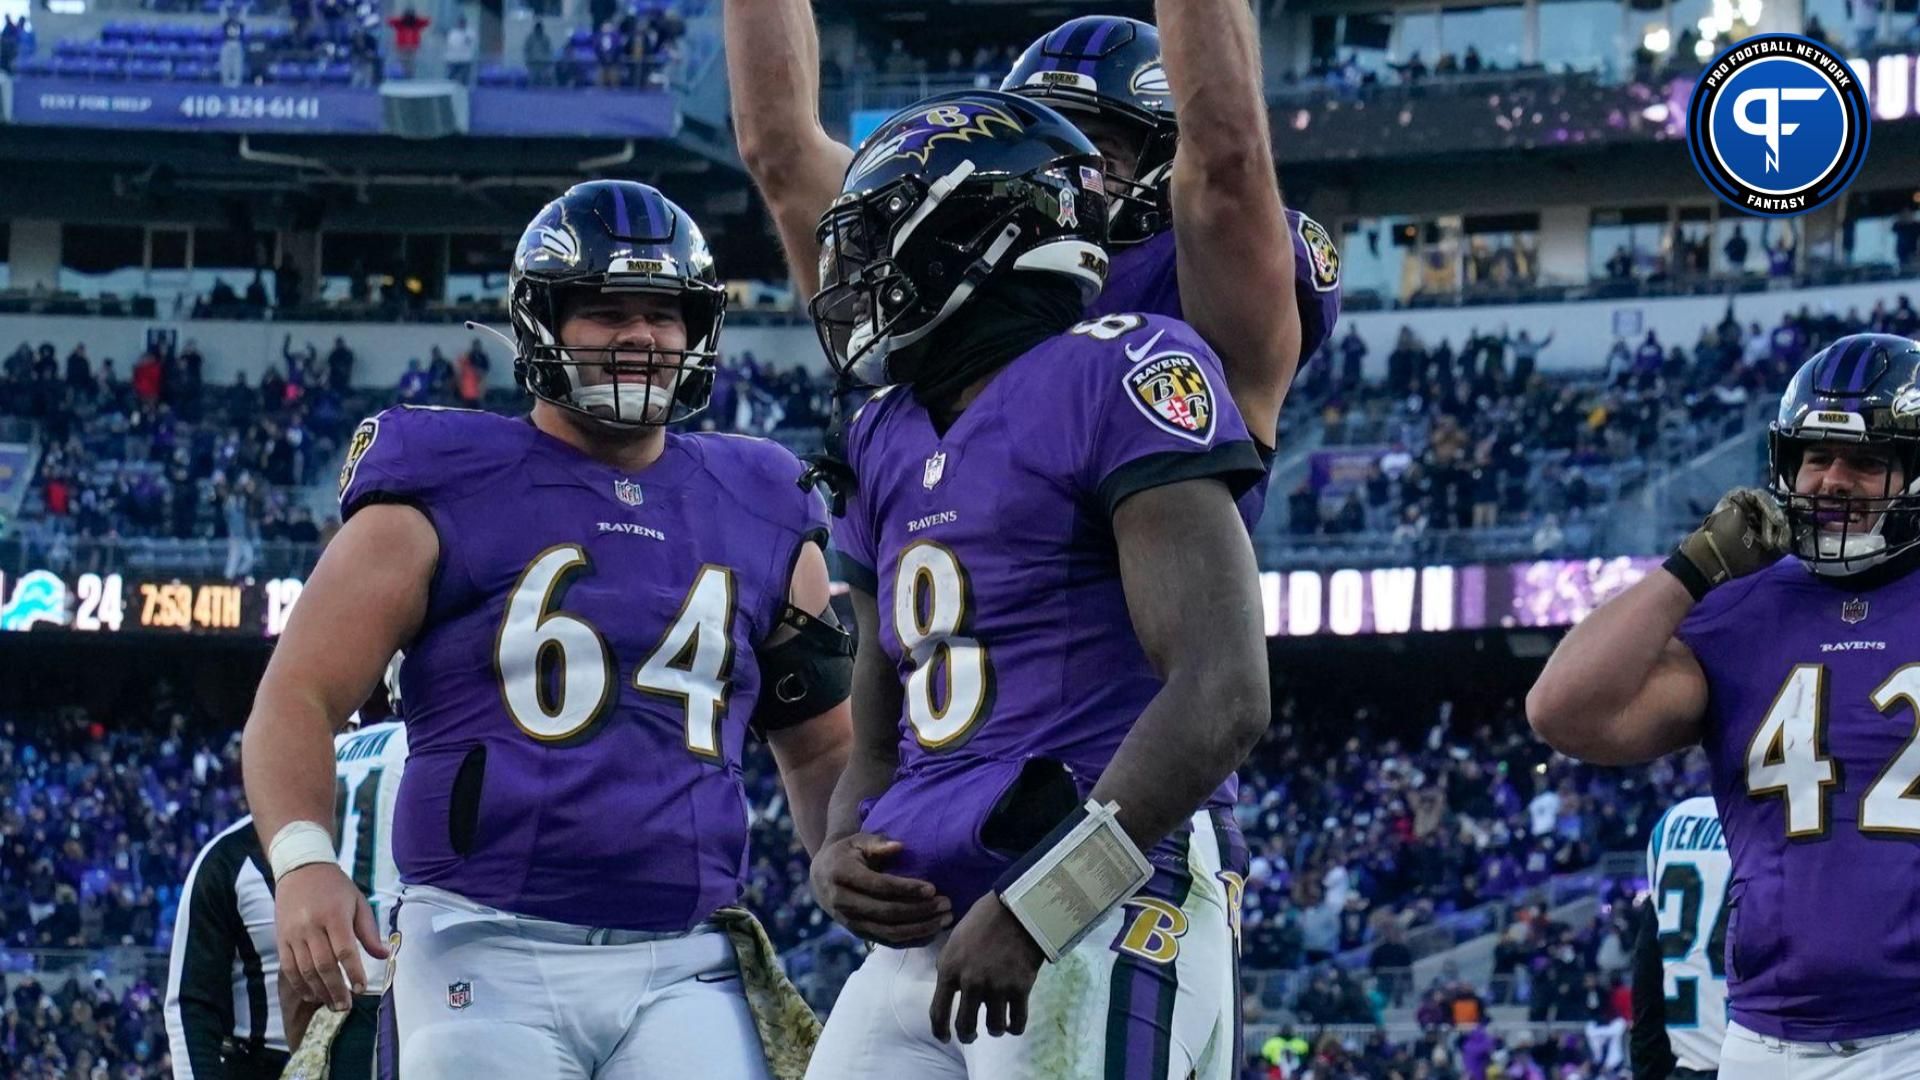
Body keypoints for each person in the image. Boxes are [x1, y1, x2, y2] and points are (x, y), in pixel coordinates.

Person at [241, 181, 851, 1080]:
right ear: (542, 323)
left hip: (683, 954)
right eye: (606, 311)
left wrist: (851, 857)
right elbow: (298, 693)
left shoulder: (764, 500)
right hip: (485, 943)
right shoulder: (441, 481)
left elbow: (822, 751)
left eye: (663, 314)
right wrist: (301, 863)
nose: (641, 336)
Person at [803, 91, 1269, 1079]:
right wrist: (837, 850)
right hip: (927, 924)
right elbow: (878, 737)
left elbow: (1225, 693)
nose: (858, 270)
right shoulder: (878, 431)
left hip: (1097, 898)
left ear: (981, 237)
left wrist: (1043, 901)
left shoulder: (1123, 367)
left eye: (885, 234)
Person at [725, 3, 1339, 528]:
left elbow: (1226, 151)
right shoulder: (946, 275)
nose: (1069, 175)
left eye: (1102, 152)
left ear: (1169, 167)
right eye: (1041, 146)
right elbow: (780, 149)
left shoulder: (1200, 284)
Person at [1529, 334, 1920, 1079]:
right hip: (1766, 1041)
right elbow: (1561, 711)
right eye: (1815, 455)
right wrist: (1690, 567)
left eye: (1866, 461)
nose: (1832, 480)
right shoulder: (1741, 608)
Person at [1631, 795, 1727, 1080]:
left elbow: (1648, 976)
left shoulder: (1674, 821)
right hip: (1767, 1061)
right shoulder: (1790, 824)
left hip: (1689, 1065)